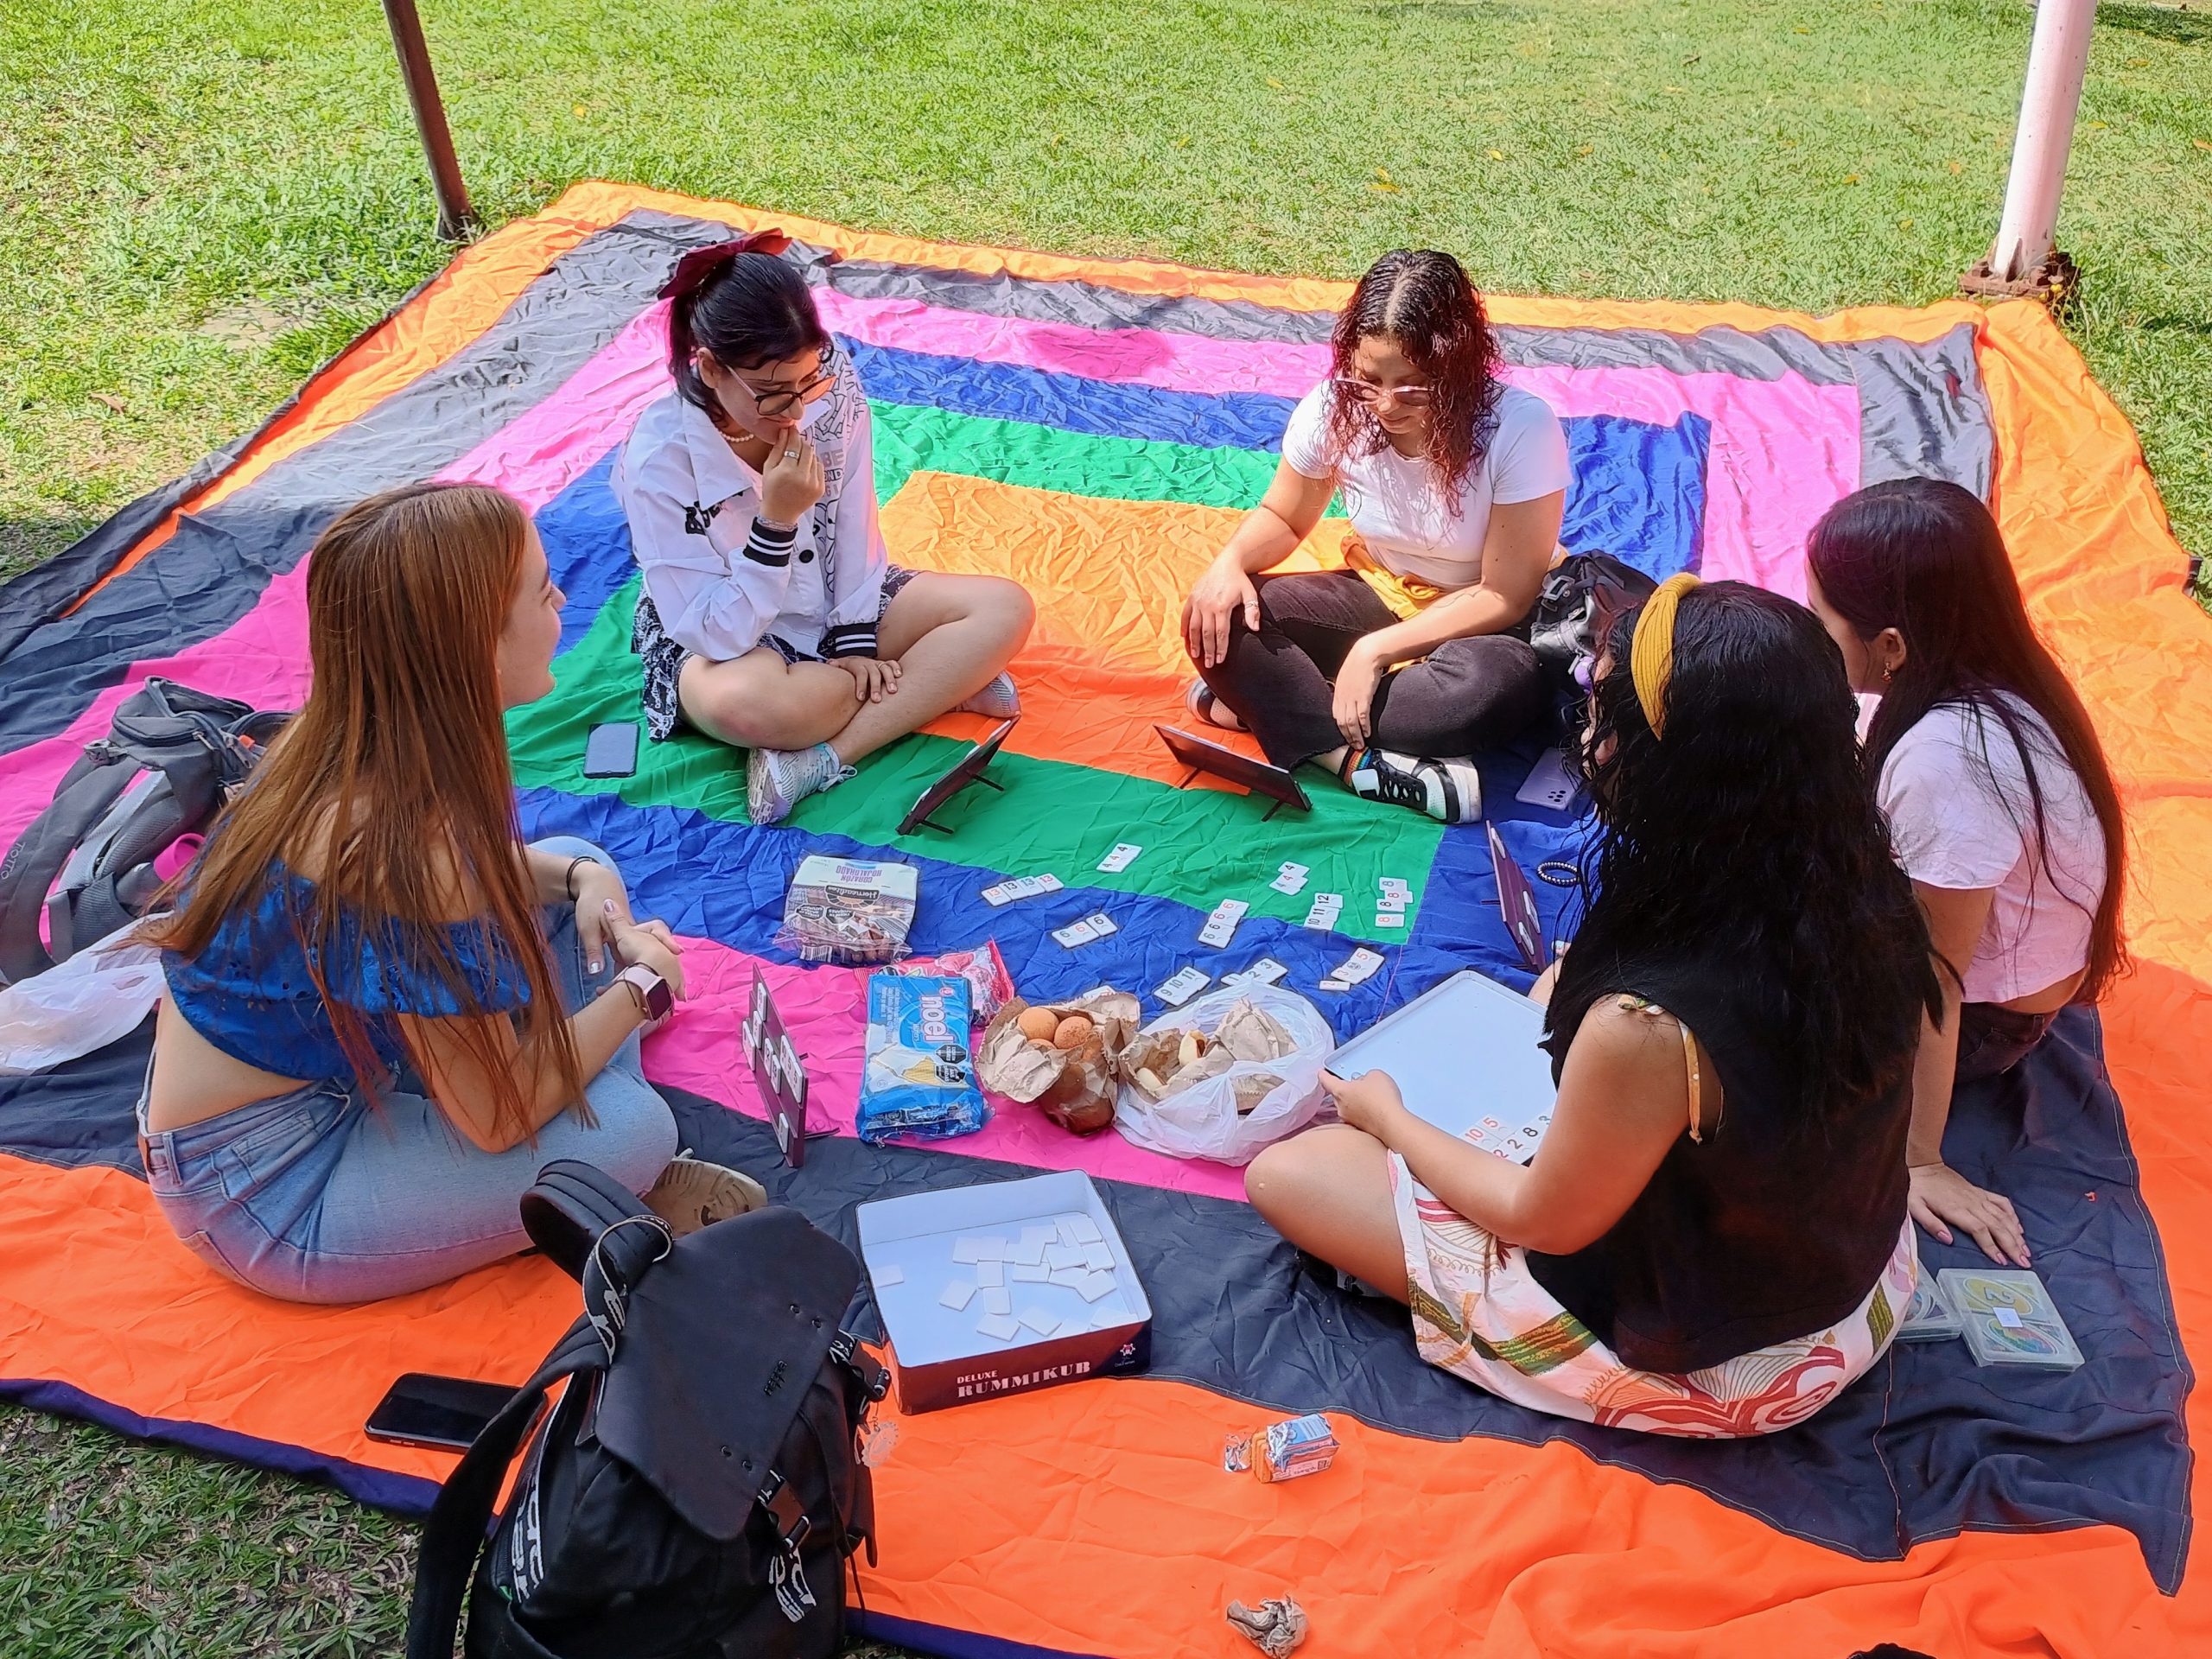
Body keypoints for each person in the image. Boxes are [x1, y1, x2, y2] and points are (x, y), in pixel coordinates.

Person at [1248, 578, 1940, 1436]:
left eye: (1603, 718)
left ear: (1673, 767)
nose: (1592, 745)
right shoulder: (1872, 884)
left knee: (1290, 1173)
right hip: (1856, 1288)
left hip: (1723, 1369)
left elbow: (1542, 1221)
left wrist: (1386, 1119)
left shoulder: (1646, 1025)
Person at [141, 483, 760, 1305]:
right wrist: (643, 986)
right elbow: (498, 1119)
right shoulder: (406, 843)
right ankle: (606, 1183)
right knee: (635, 1133)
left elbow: (492, 871)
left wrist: (586, 879)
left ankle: (562, 1115)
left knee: (571, 858)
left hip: (322, 1081)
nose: (565, 600)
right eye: (542, 592)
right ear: (476, 645)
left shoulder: (356, 740)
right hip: (270, 1190)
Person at [1807, 478, 2126, 1268]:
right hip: (2001, 979)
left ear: (1891, 647)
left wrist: (1919, 1159)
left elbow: (1933, 978)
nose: (1809, 631)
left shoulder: (1949, 761)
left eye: (1822, 621)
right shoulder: (1994, 672)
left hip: (1987, 1024)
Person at [616, 231, 1034, 823]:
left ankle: (823, 757)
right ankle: (928, 686)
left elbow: (852, 515)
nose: (794, 410)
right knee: (756, 708)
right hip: (724, 632)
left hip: (833, 597)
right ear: (710, 369)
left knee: (1005, 608)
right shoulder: (658, 459)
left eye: (806, 383)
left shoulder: (827, 380)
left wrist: (855, 638)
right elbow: (713, 632)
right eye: (768, 395)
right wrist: (776, 523)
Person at [1180, 249, 1569, 823]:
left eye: (1414, 388)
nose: (1387, 406)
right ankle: (1354, 763)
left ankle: (1272, 707)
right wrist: (1229, 563)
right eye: (1369, 382)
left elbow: (1505, 594)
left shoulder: (1519, 427)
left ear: (1458, 369)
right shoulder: (1334, 407)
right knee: (1221, 617)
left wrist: (1375, 651)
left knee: (1490, 691)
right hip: (1381, 593)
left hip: (1482, 620)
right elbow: (1285, 518)